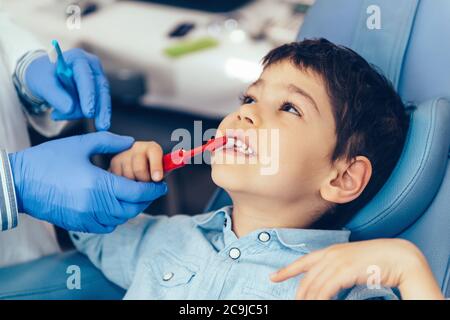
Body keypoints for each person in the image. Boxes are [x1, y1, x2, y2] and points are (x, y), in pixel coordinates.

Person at [68, 39, 438, 299]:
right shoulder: (167, 239)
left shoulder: (339, 282)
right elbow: (85, 230)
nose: (245, 112)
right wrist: (115, 187)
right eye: (249, 98)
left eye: (290, 107)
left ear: (342, 178)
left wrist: (407, 267)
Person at [0, 13, 167, 267]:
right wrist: (11, 185)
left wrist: (28, 72)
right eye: (247, 101)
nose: (245, 116)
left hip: (34, 260)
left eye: (250, 99)